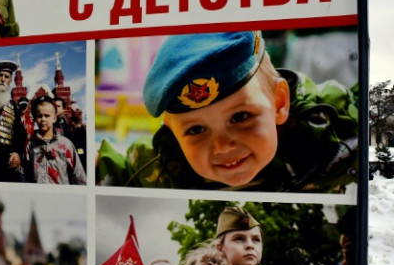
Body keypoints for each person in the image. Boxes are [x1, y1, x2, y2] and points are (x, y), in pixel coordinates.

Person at [96, 30, 358, 192]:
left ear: (279, 103)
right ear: (173, 133)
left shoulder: (340, 132)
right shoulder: (159, 170)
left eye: (240, 117)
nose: (221, 146)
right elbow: (109, 171)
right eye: (195, 129)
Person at [22, 95, 86, 185]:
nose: (43, 119)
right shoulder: (31, 145)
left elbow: (78, 175)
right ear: (35, 118)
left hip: (61, 196)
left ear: (54, 118)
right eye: (39, 116)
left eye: (47, 116)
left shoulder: (65, 144)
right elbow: (24, 174)